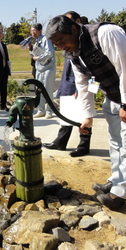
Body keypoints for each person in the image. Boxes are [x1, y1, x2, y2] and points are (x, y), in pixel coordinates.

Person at [46, 15, 126, 210]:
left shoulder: (105, 33)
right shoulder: (72, 53)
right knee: (116, 140)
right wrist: (87, 116)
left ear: (74, 28)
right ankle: (116, 180)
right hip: (112, 94)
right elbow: (83, 84)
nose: (60, 46)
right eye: (56, 44)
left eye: (61, 41)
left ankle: (120, 193)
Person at [43, 11, 92, 157]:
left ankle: (84, 145)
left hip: (79, 85)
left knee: (84, 115)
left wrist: (80, 88)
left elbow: (88, 71)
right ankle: (60, 141)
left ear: (76, 24)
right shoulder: (68, 41)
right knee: (66, 114)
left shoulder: (85, 41)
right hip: (68, 82)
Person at [29, 23, 56, 119]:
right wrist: (30, 50)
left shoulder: (46, 39)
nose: (32, 33)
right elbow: (34, 56)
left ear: (40, 31)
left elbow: (50, 53)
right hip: (39, 69)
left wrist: (38, 57)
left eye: (34, 30)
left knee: (48, 90)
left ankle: (49, 111)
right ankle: (41, 110)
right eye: (31, 31)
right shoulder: (36, 42)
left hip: (48, 68)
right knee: (39, 90)